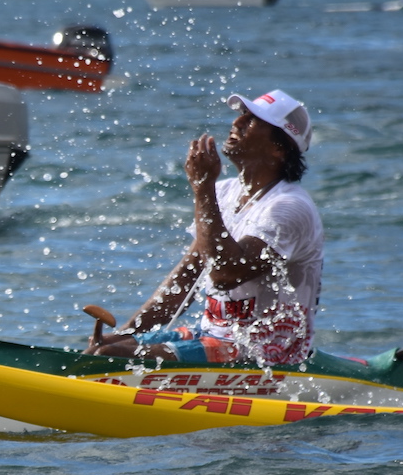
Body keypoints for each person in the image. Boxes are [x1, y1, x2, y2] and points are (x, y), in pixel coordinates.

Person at [87, 89, 322, 368]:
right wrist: (128, 332)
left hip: (267, 353)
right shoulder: (223, 193)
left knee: (110, 358)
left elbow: (226, 274)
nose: (236, 124)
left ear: (278, 148)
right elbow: (185, 279)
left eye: (252, 120)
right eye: (241, 116)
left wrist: (202, 190)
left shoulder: (288, 207)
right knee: (108, 347)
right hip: (213, 336)